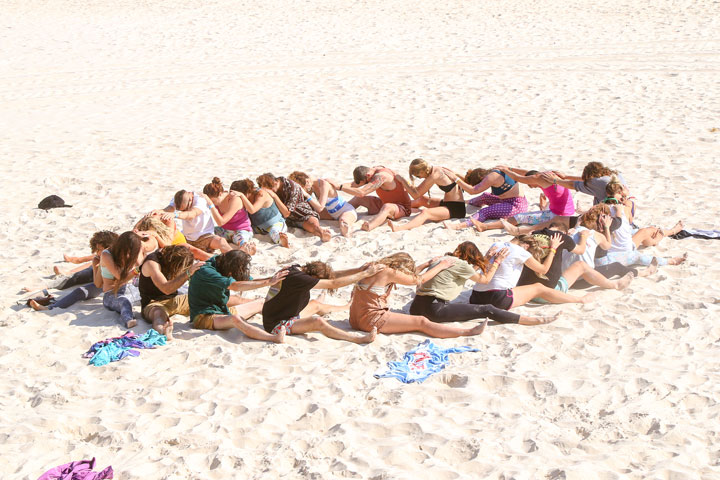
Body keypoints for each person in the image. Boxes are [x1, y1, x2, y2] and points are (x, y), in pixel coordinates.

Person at [409, 242, 557, 326]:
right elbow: (484, 279)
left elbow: (469, 272)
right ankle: (529, 320)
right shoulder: (460, 264)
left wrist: (487, 257)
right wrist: (497, 262)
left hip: (415, 307)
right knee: (486, 309)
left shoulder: (443, 260)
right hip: (434, 310)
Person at [349, 253, 489, 337]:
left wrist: (427, 264)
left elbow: (408, 275)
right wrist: (442, 265)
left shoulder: (375, 267)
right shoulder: (389, 272)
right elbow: (418, 280)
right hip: (370, 321)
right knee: (421, 322)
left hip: (354, 319)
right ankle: (467, 332)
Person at [261, 261, 386, 343]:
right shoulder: (300, 279)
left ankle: (346, 306)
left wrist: (358, 270)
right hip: (277, 325)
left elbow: (333, 275)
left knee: (315, 304)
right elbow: (334, 283)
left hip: (285, 314)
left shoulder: (297, 269)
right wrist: (365, 273)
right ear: (314, 278)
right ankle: (358, 339)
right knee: (318, 321)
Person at [470, 234, 598, 309]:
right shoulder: (521, 251)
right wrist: (553, 249)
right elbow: (543, 269)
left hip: (475, 296)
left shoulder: (496, 244)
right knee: (538, 287)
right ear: (526, 246)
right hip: (497, 298)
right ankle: (579, 300)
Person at [188, 250, 287, 342]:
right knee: (235, 319)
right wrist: (268, 282)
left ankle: (285, 322)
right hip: (203, 317)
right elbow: (234, 286)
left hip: (222, 311)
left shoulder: (223, 263)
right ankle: (273, 338)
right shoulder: (206, 271)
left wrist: (274, 278)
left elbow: (248, 281)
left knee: (261, 302)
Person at [28, 231, 119, 312]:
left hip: (113, 286)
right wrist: (98, 266)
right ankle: (50, 307)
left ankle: (50, 304)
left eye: (99, 250)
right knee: (79, 286)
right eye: (96, 249)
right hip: (103, 283)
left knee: (81, 283)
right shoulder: (97, 259)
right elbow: (97, 284)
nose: (96, 252)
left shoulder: (118, 258)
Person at [469, 167, 575, 232]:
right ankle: (543, 208)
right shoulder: (548, 175)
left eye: (530, 184)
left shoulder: (538, 179)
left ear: (533, 178)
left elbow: (518, 178)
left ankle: (485, 227)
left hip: (560, 215)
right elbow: (527, 172)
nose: (531, 186)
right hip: (567, 210)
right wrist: (510, 168)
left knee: (519, 218)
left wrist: (506, 170)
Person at [139, 245, 204, 340]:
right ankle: (162, 330)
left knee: (204, 299)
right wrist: (188, 273)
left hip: (174, 300)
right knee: (158, 314)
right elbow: (166, 289)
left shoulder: (168, 257)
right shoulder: (152, 264)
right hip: (153, 303)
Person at [387, 158, 467, 231]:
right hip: (447, 203)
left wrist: (402, 181)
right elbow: (417, 191)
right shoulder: (436, 169)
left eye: (418, 176)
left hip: (456, 209)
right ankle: (396, 206)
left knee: (425, 213)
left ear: (422, 171)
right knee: (421, 200)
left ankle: (399, 228)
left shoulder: (435, 175)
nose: (420, 178)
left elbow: (415, 195)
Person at [443, 167, 528, 230]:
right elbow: (469, 182)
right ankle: (466, 202)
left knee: (485, 211)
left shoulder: (491, 177)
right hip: (509, 200)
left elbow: (472, 190)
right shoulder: (493, 171)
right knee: (485, 196)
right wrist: (455, 174)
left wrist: (455, 178)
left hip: (517, 206)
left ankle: (459, 226)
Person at [257, 173, 332, 242]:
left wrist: (274, 196)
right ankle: (322, 232)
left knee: (314, 226)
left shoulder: (292, 187)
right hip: (288, 221)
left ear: (275, 183)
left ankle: (322, 233)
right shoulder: (275, 187)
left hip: (303, 215)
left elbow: (287, 213)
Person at [335, 166, 413, 232]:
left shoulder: (381, 176)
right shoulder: (371, 171)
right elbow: (354, 184)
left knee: (387, 206)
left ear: (368, 175)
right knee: (358, 198)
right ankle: (336, 212)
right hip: (383, 203)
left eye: (366, 183)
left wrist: (341, 188)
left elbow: (362, 192)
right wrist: (335, 186)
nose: (366, 184)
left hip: (402, 208)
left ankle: (370, 226)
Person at [160, 190, 234, 254]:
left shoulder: (200, 199)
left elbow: (192, 214)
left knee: (221, 241)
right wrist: (158, 212)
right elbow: (169, 208)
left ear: (191, 198)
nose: (185, 211)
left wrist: (175, 214)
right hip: (187, 238)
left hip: (205, 237)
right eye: (182, 210)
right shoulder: (179, 198)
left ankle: (237, 260)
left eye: (186, 208)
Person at [288, 171, 358, 237]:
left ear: (307, 182)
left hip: (346, 210)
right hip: (331, 214)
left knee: (343, 222)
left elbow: (320, 208)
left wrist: (306, 195)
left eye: (303, 189)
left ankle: (346, 230)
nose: (303, 191)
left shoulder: (324, 184)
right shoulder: (311, 186)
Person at [99, 231, 146, 328]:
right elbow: (121, 277)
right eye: (128, 251)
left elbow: (142, 267)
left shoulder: (132, 254)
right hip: (112, 293)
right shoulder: (107, 254)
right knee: (124, 302)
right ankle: (128, 320)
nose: (129, 254)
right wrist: (137, 270)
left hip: (131, 289)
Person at [202, 177, 257, 255]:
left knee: (242, 241)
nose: (213, 203)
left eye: (213, 201)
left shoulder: (234, 199)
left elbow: (221, 221)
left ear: (220, 194)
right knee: (204, 234)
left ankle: (250, 249)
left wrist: (211, 205)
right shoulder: (215, 200)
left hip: (241, 230)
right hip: (225, 230)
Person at [230, 179, 290, 248]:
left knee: (275, 232)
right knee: (240, 233)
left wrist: (242, 196)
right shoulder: (244, 197)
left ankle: (282, 240)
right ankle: (244, 244)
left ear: (246, 193)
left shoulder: (261, 194)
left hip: (275, 223)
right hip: (257, 228)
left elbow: (252, 210)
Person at [540, 161, 627, 205]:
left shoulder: (597, 183)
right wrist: (566, 177)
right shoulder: (615, 175)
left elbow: (573, 185)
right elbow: (587, 180)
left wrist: (555, 180)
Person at [136, 212, 213, 261]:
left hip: (175, 242)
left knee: (195, 251)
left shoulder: (168, 221)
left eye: (156, 214)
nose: (155, 214)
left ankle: (214, 258)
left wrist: (156, 236)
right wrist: (142, 220)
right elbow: (133, 231)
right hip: (163, 245)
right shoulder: (145, 223)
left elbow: (168, 245)